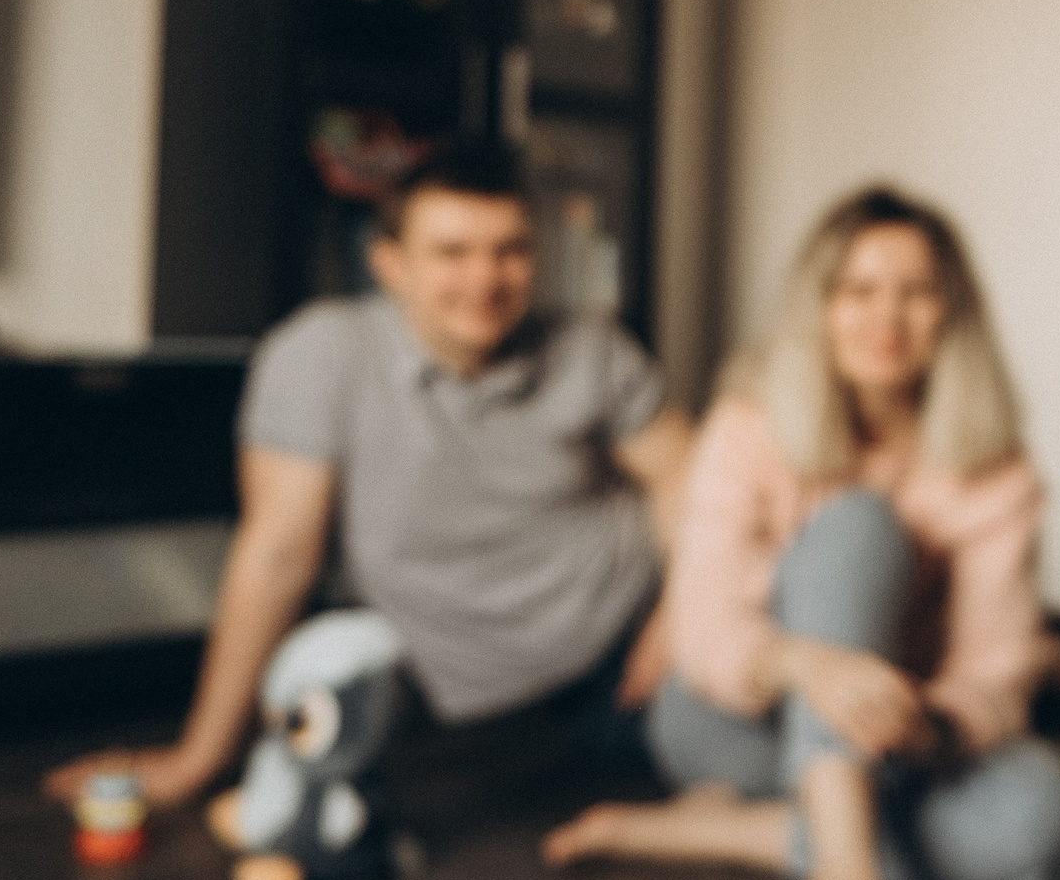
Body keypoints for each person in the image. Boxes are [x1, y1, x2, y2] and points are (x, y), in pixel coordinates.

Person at [545, 185, 1060, 880]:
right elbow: (709, 623)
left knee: (1042, 831)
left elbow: (997, 665)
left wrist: (928, 723)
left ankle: (710, 831)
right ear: (820, 308)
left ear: (951, 313)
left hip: (900, 740)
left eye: (916, 292)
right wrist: (807, 663)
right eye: (858, 291)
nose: (886, 318)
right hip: (734, 717)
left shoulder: (995, 470)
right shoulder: (747, 426)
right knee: (860, 527)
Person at [46, 141, 694, 842]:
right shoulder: (319, 355)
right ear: (391, 265)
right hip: (432, 683)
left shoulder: (594, 349)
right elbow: (277, 558)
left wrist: (682, 616)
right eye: (452, 252)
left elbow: (691, 481)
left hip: (618, 652)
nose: (485, 279)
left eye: (510, 250)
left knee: (735, 754)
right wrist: (198, 760)